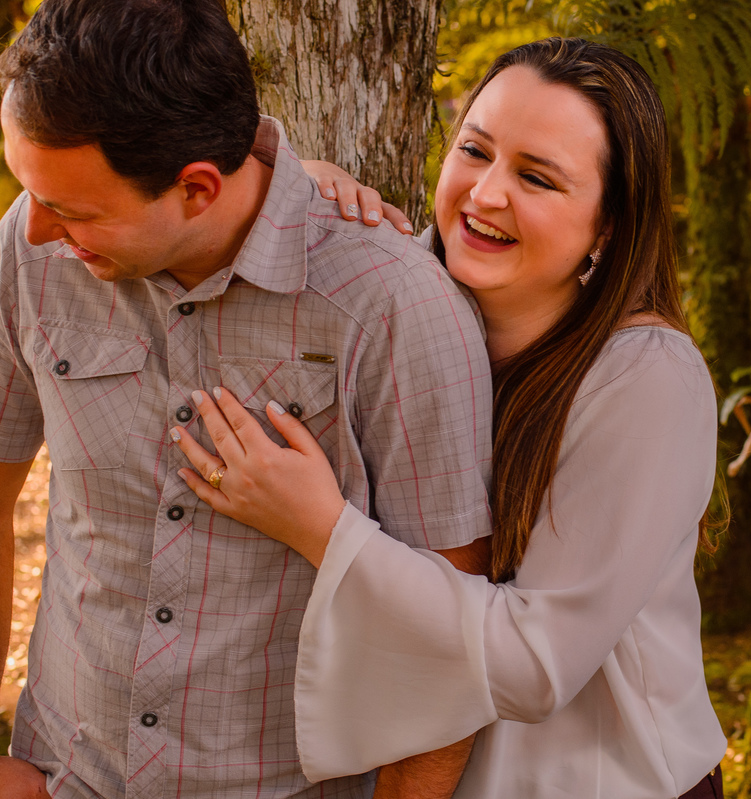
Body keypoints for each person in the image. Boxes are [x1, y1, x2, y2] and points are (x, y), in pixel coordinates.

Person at [174, 37, 728, 799]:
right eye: (475, 149)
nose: (486, 193)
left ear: (608, 227)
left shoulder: (645, 381)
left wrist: (319, 525)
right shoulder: (395, 299)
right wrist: (308, 198)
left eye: (537, 177)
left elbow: (536, 665)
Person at [0, 1, 492, 796]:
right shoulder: (32, 250)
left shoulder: (392, 307)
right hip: (66, 772)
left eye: (72, 211)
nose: (35, 232)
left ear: (196, 188)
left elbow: (450, 633)